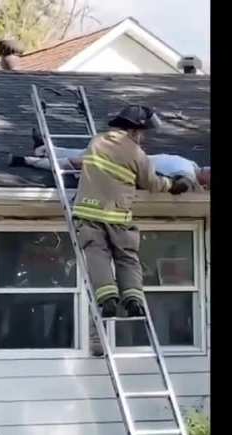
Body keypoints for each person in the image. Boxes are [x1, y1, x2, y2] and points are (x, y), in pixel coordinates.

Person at [71, 105, 188, 318]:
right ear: (135, 130)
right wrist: (173, 185)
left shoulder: (95, 142)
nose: (142, 138)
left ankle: (107, 298)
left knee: (97, 254)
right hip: (117, 215)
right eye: (142, 133)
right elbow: (151, 182)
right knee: (126, 257)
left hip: (87, 211)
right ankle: (133, 300)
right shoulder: (136, 153)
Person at [9, 132, 211, 190]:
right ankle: (42, 150)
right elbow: (183, 183)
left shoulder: (189, 167)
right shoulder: (188, 171)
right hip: (128, 163)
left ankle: (27, 160)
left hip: (128, 167)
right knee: (82, 157)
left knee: (80, 160)